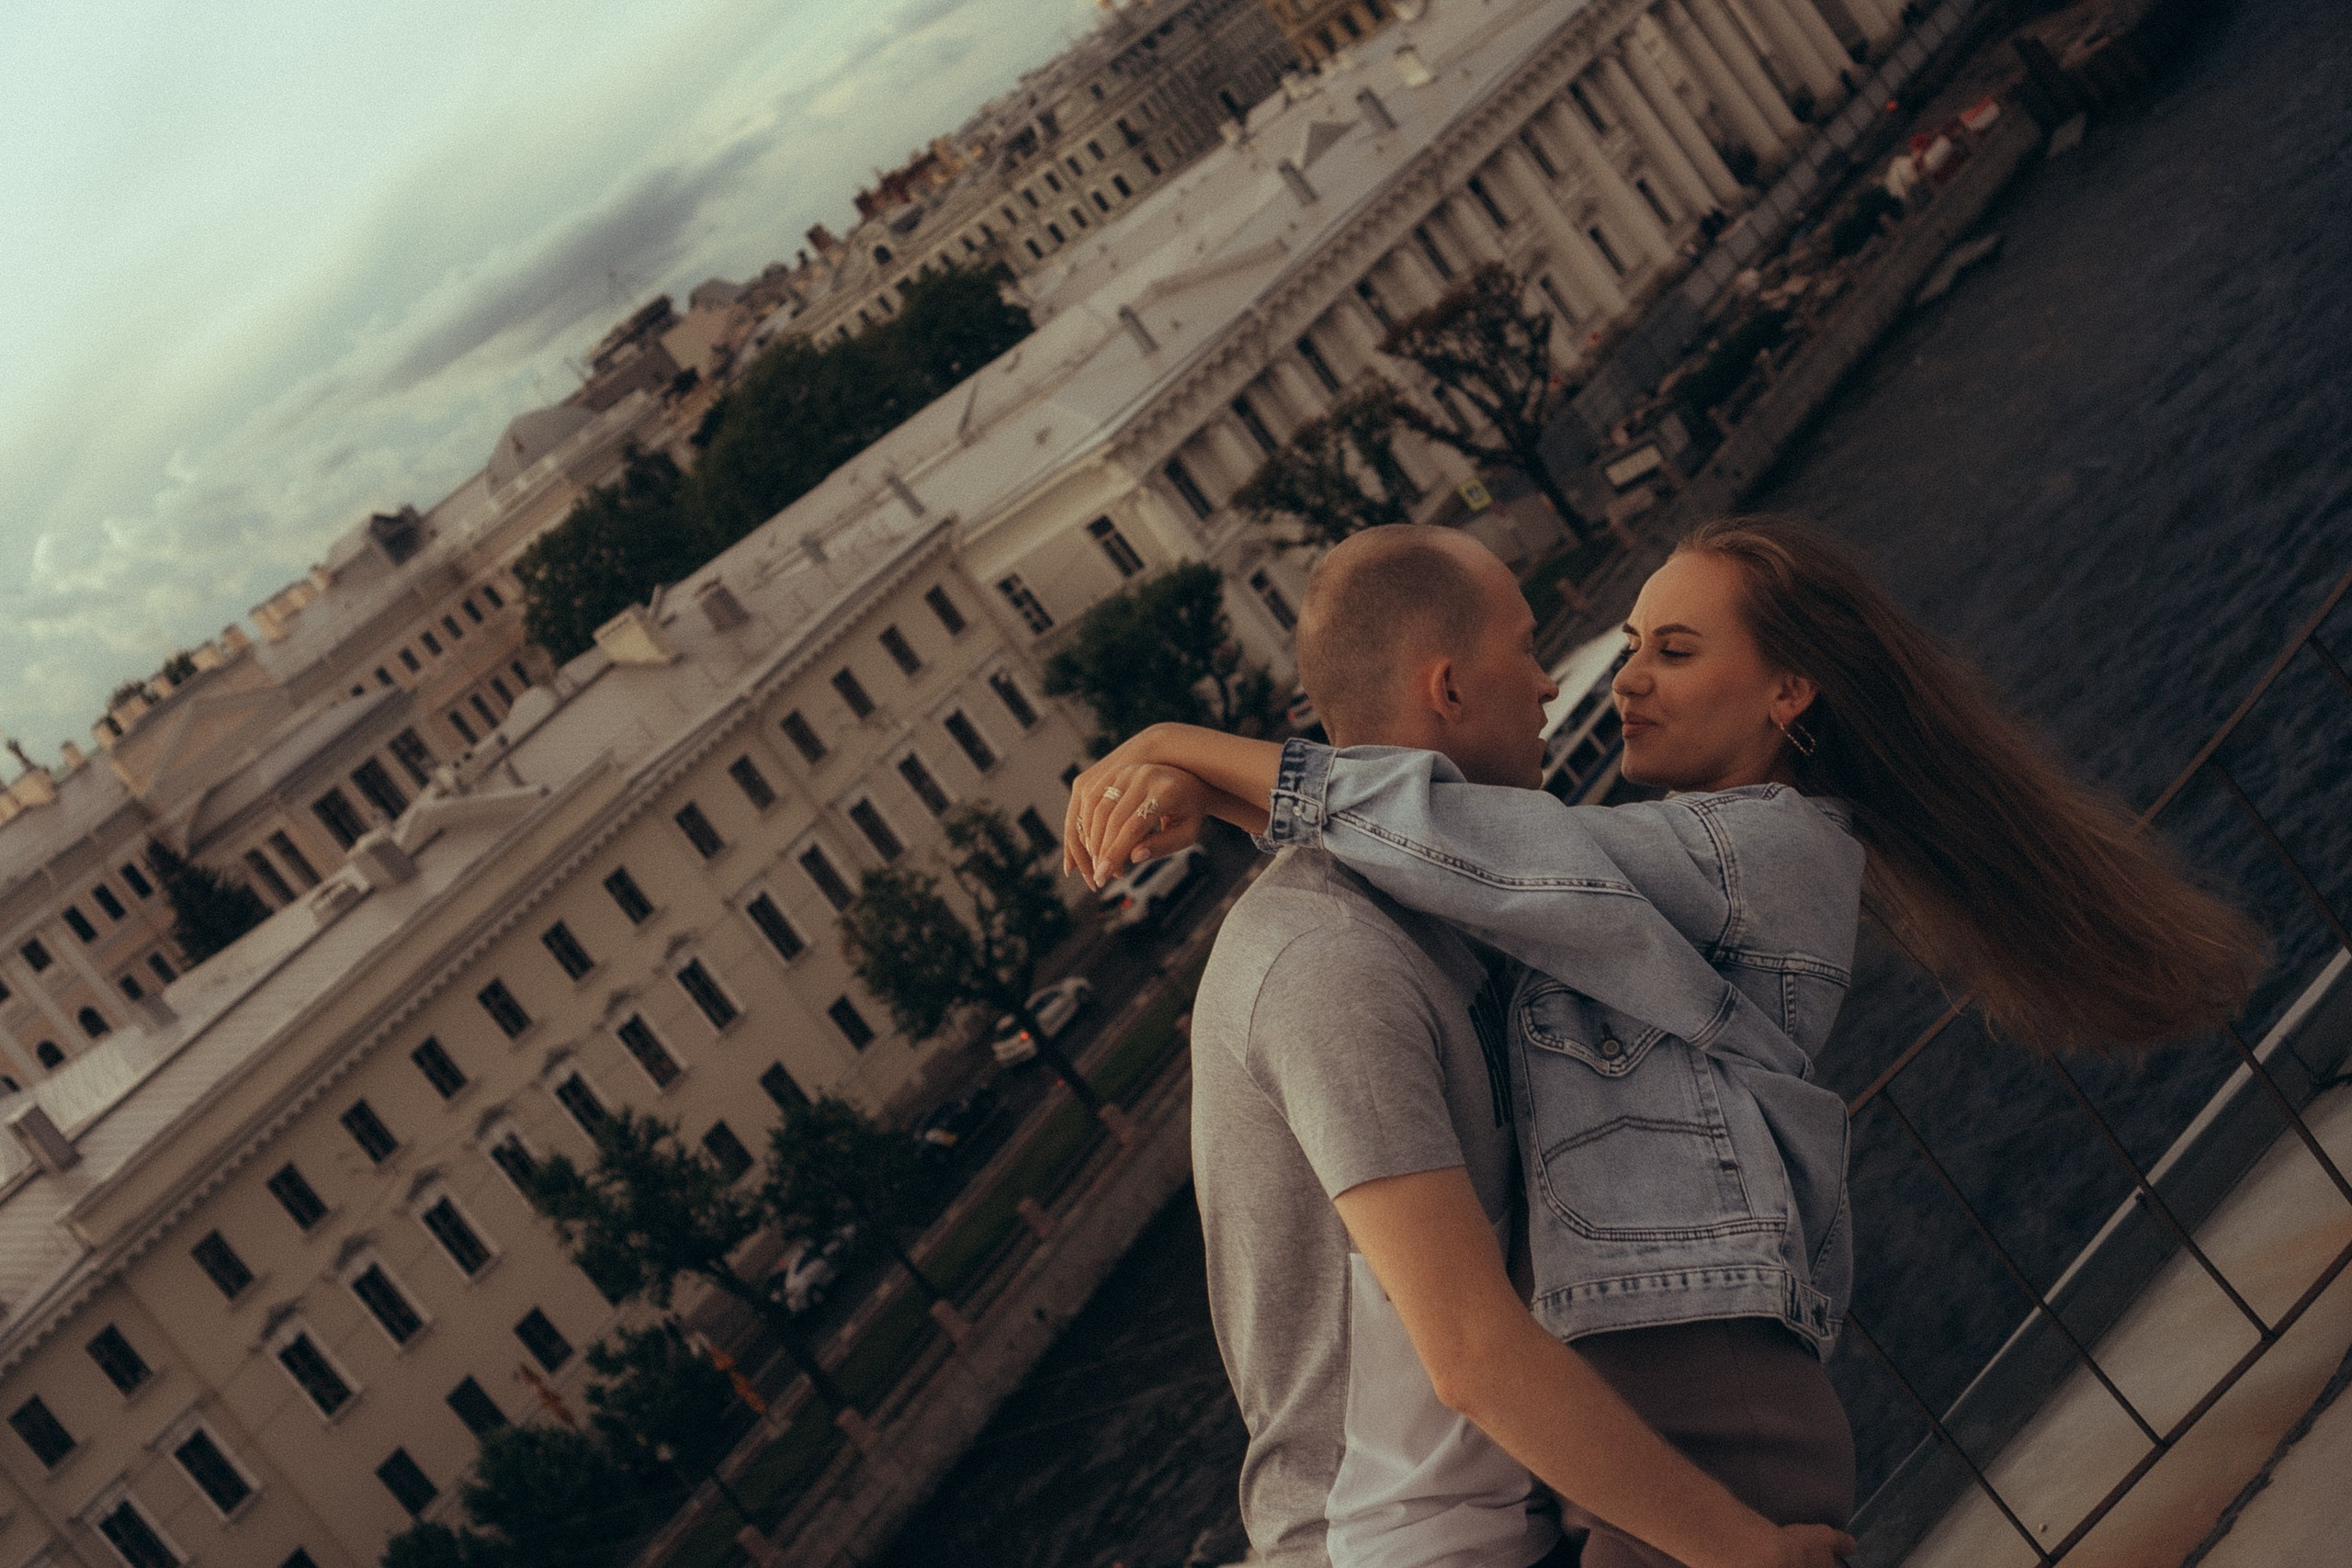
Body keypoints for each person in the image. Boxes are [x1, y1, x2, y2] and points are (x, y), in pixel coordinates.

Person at [1069, 519, 2260, 1567]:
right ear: (1446, 687)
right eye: (1580, 647)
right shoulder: (1340, 955)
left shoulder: (1761, 855)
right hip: (1577, 1476)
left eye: (1671, 651)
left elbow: (1479, 843)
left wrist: (1190, 750)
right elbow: (1459, 848)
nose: (1580, 683)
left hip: (1689, 1423)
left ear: (1790, 692)